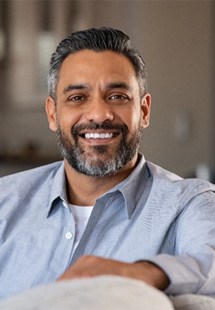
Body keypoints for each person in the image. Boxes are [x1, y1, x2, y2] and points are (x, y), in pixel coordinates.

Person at [0, 27, 215, 301]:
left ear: (144, 111)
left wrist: (140, 273)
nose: (100, 114)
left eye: (117, 96)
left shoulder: (188, 203)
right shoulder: (4, 200)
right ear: (53, 113)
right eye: (78, 98)